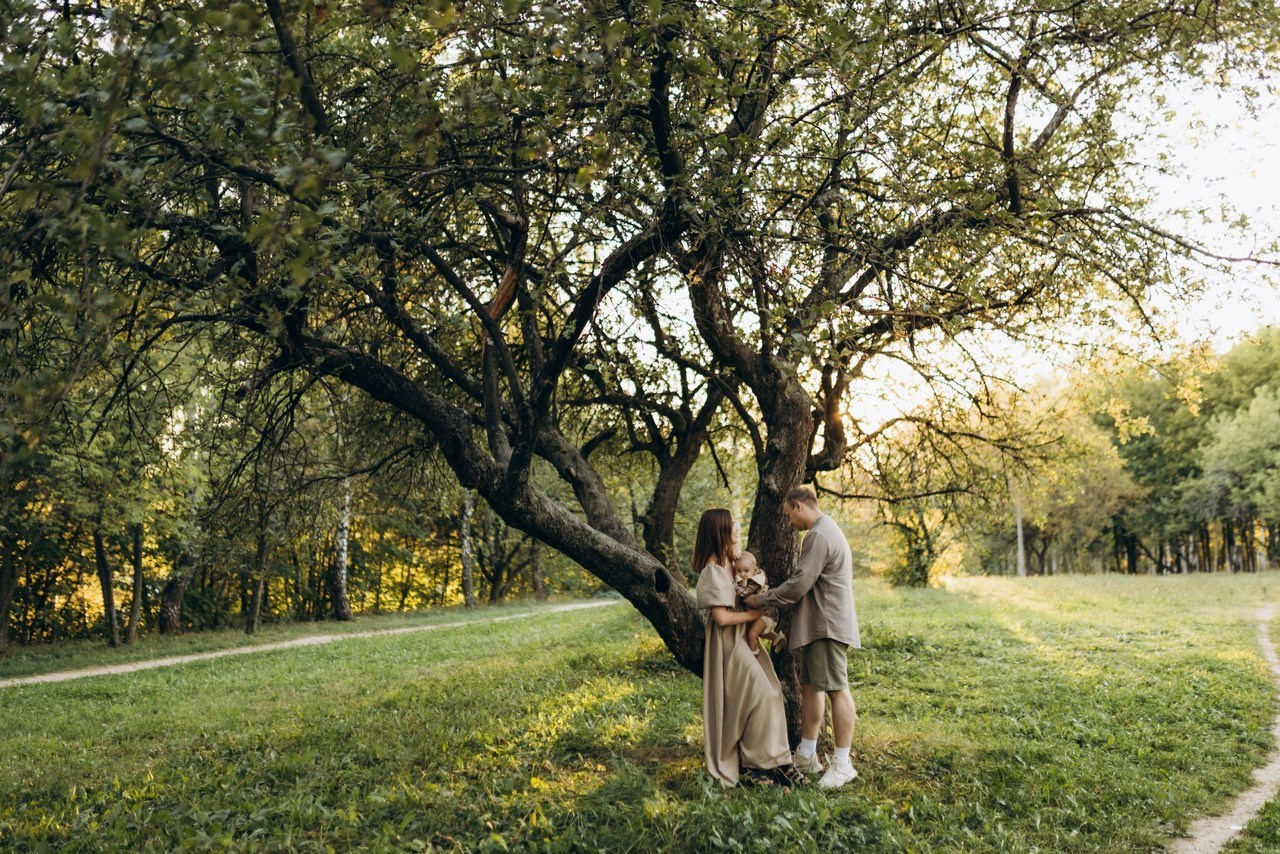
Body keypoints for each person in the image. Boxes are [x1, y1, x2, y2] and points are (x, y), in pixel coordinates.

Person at [746, 485, 861, 789]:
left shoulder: (819, 536)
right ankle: (808, 754)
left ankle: (842, 763)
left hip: (827, 624)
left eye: (788, 515)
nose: (789, 523)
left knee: (837, 688)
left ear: (798, 505)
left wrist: (762, 600)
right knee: (811, 687)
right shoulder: (824, 532)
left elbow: (799, 584)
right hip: (817, 624)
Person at [694, 508, 805, 789]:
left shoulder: (735, 562)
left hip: (744, 637)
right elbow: (720, 617)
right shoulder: (712, 569)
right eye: (732, 527)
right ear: (720, 531)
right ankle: (756, 765)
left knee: (772, 691)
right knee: (760, 693)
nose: (737, 530)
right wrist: (756, 616)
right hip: (727, 643)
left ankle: (779, 761)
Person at [732, 550, 784, 653]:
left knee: (752, 634)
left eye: (746, 571)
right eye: (738, 570)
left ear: (754, 570)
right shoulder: (745, 580)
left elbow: (744, 593)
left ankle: (753, 655)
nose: (742, 574)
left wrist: (733, 585)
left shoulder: (755, 581)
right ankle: (777, 637)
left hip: (768, 614)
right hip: (760, 613)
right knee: (760, 632)